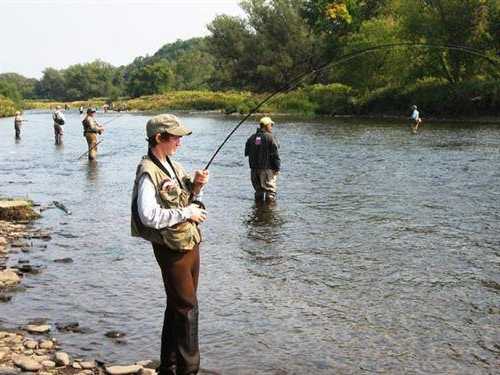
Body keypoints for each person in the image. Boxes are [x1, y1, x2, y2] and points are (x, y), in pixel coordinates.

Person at [130, 114, 209, 375]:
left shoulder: (172, 165)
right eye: (175, 137)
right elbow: (148, 216)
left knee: (177, 304)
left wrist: (196, 187)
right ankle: (189, 370)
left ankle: (169, 366)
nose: (179, 142)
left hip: (190, 244)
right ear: (159, 138)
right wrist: (187, 213)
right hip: (172, 250)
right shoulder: (147, 172)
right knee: (187, 307)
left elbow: (185, 199)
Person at [245, 116, 281, 202]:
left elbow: (246, 152)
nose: (272, 127)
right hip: (266, 169)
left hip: (254, 169)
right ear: (266, 125)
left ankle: (258, 211)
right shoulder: (271, 137)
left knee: (258, 191)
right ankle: (269, 213)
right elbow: (275, 154)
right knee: (270, 192)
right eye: (271, 125)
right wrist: (277, 168)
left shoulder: (252, 137)